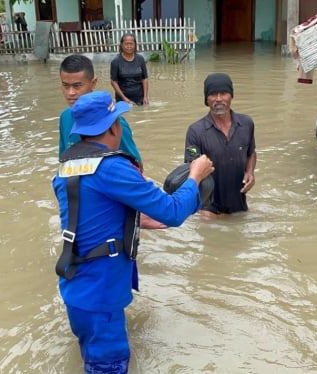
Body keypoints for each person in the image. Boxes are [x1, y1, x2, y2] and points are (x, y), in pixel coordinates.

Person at [52, 91, 214, 373]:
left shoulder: (66, 168)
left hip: (77, 288)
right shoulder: (113, 168)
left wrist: (138, 219)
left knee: (92, 356)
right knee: (109, 367)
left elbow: (91, 216)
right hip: (101, 295)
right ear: (113, 127)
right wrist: (195, 176)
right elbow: (173, 211)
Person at [183, 72, 257, 216]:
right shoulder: (195, 131)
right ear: (206, 99)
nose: (218, 99)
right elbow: (191, 170)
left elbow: (251, 153)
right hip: (208, 206)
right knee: (212, 234)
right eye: (212, 94)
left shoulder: (246, 124)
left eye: (223, 93)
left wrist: (250, 172)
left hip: (238, 201)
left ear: (231, 96)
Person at [59, 54, 144, 172]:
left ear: (93, 83)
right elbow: (63, 160)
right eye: (65, 86)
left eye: (77, 86)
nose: (70, 93)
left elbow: (136, 165)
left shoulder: (113, 121)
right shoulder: (65, 117)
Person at [110, 34, 149, 106]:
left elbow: (144, 79)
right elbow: (113, 82)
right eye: (126, 44)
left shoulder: (140, 59)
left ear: (135, 45)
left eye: (131, 44)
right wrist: (124, 98)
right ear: (121, 45)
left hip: (139, 98)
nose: (129, 46)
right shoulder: (116, 61)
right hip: (122, 99)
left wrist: (145, 97)